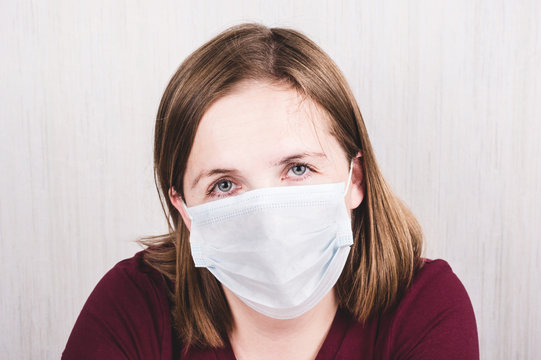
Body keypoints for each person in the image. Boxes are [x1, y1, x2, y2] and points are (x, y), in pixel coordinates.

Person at [62, 23, 479, 359]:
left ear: (355, 180)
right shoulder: (133, 306)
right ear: (186, 210)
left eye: (298, 169)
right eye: (224, 185)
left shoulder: (423, 306)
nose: (267, 220)